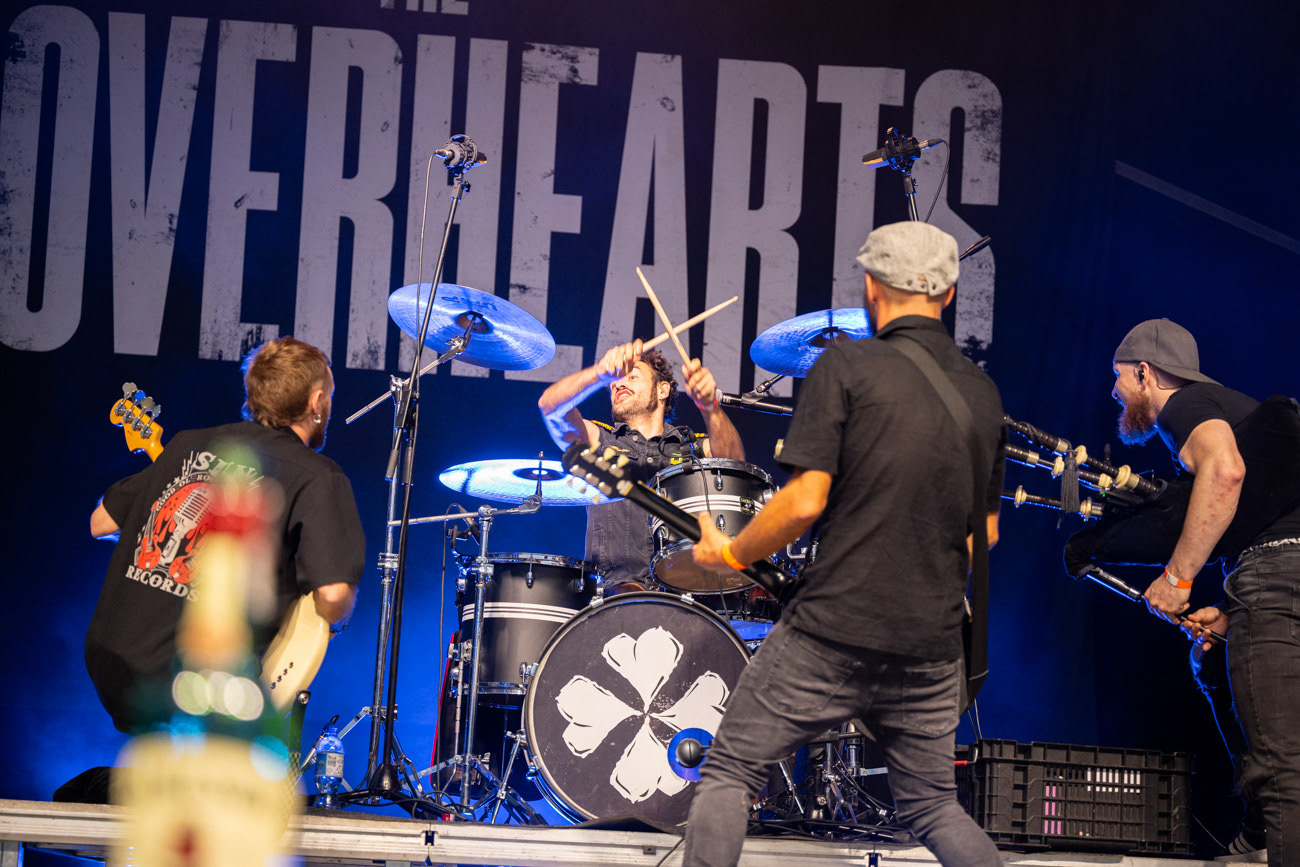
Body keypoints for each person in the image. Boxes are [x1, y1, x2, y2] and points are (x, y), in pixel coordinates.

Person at [682, 221, 1006, 867]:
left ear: (871, 287)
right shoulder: (981, 392)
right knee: (935, 808)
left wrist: (732, 553)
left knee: (731, 771)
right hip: (932, 643)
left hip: (834, 630)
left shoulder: (847, 366)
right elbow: (986, 535)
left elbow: (804, 501)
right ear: (948, 294)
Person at [84, 336, 365, 734]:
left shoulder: (187, 442)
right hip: (195, 689)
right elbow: (333, 595)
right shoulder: (318, 477)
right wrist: (335, 614)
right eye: (329, 397)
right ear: (316, 402)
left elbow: (101, 522)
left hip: (109, 661)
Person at [1110, 318, 1300, 865]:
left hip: (1275, 573)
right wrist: (1233, 615)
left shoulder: (1185, 405)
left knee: (1283, 770)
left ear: (1144, 373)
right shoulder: (1231, 406)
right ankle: (1257, 840)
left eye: (1117, 376)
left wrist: (1178, 579)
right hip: (1283, 573)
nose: (1114, 391)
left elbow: (1225, 471)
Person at [538, 343, 744, 589]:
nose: (618, 384)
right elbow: (550, 407)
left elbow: (734, 464)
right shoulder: (600, 440)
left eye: (632, 377)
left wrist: (710, 406)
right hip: (612, 594)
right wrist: (599, 373)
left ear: (662, 390)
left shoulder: (691, 446)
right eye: (613, 383)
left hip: (687, 593)